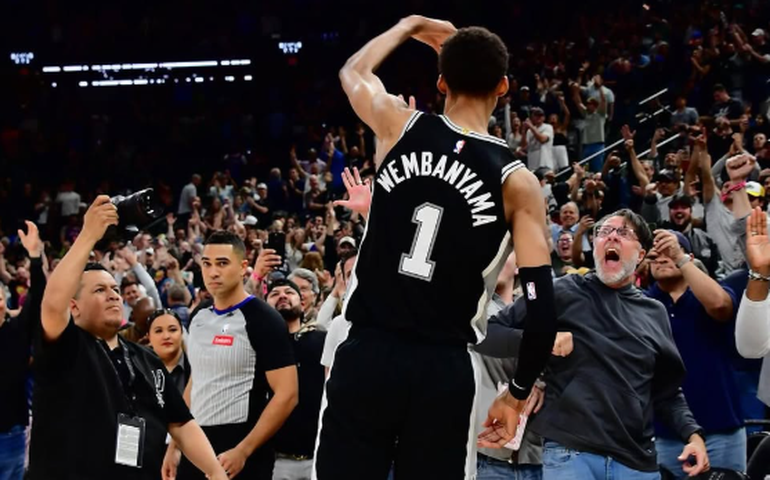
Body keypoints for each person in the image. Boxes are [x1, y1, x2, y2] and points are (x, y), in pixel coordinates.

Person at [317, 17, 558, 479]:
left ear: (441, 81)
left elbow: (352, 71)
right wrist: (517, 393)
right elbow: (542, 313)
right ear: (503, 86)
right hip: (442, 368)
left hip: (367, 351)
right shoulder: (518, 182)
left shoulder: (398, 125)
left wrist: (409, 26)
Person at [477, 209, 709, 479]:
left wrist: (693, 435)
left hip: (636, 462)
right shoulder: (562, 290)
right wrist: (542, 342)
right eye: (603, 232)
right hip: (570, 454)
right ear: (595, 246)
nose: (611, 237)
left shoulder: (654, 312)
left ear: (641, 255)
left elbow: (666, 392)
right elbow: (487, 334)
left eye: (623, 233)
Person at [30, 196, 227, 480]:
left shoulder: (146, 357)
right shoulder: (65, 346)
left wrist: (215, 472)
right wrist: (88, 235)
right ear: (74, 307)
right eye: (99, 290)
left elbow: (181, 423)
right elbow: (51, 304)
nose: (112, 294)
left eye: (114, 288)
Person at [169, 231, 298, 480]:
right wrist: (175, 446)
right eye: (207, 264)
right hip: (195, 445)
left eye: (222, 263)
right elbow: (196, 382)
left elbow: (288, 395)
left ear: (243, 268)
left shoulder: (264, 319)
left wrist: (244, 450)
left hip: (240, 450)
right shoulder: (199, 316)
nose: (213, 272)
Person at [645, 230, 744, 476]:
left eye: (670, 249)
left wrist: (679, 258)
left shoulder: (710, 294)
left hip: (720, 427)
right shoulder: (642, 303)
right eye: (655, 253)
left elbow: (721, 306)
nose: (662, 256)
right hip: (663, 432)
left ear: (688, 257)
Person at [266, 279, 326, 480]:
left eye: (289, 292)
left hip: (319, 455)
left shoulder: (322, 340)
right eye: (274, 294)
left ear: (302, 303)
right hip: (276, 460)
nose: (282, 296)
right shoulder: (258, 349)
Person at [0, 221, 45, 480]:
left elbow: (37, 296)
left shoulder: (17, 329)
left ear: (5, 303)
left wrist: (36, 258)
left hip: (11, 434)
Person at [147, 309, 190, 394]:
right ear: (149, 337)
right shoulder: (139, 369)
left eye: (173, 330)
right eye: (158, 331)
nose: (166, 336)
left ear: (181, 333)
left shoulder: (196, 367)